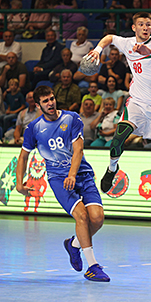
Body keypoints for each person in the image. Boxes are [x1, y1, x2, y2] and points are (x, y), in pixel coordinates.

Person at [16, 85, 110, 282]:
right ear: (38, 105)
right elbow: (23, 156)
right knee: (82, 217)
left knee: (97, 218)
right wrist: (19, 183)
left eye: (51, 99)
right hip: (58, 179)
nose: (50, 103)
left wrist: (73, 174)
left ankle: (73, 244)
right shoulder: (34, 128)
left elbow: (78, 151)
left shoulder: (72, 118)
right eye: (45, 101)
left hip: (81, 174)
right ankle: (93, 266)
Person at [85, 11, 151, 192]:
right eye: (141, 24)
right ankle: (112, 168)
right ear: (134, 27)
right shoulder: (128, 43)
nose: (145, 27)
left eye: (148, 24)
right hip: (137, 101)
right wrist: (98, 50)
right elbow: (109, 37)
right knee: (118, 138)